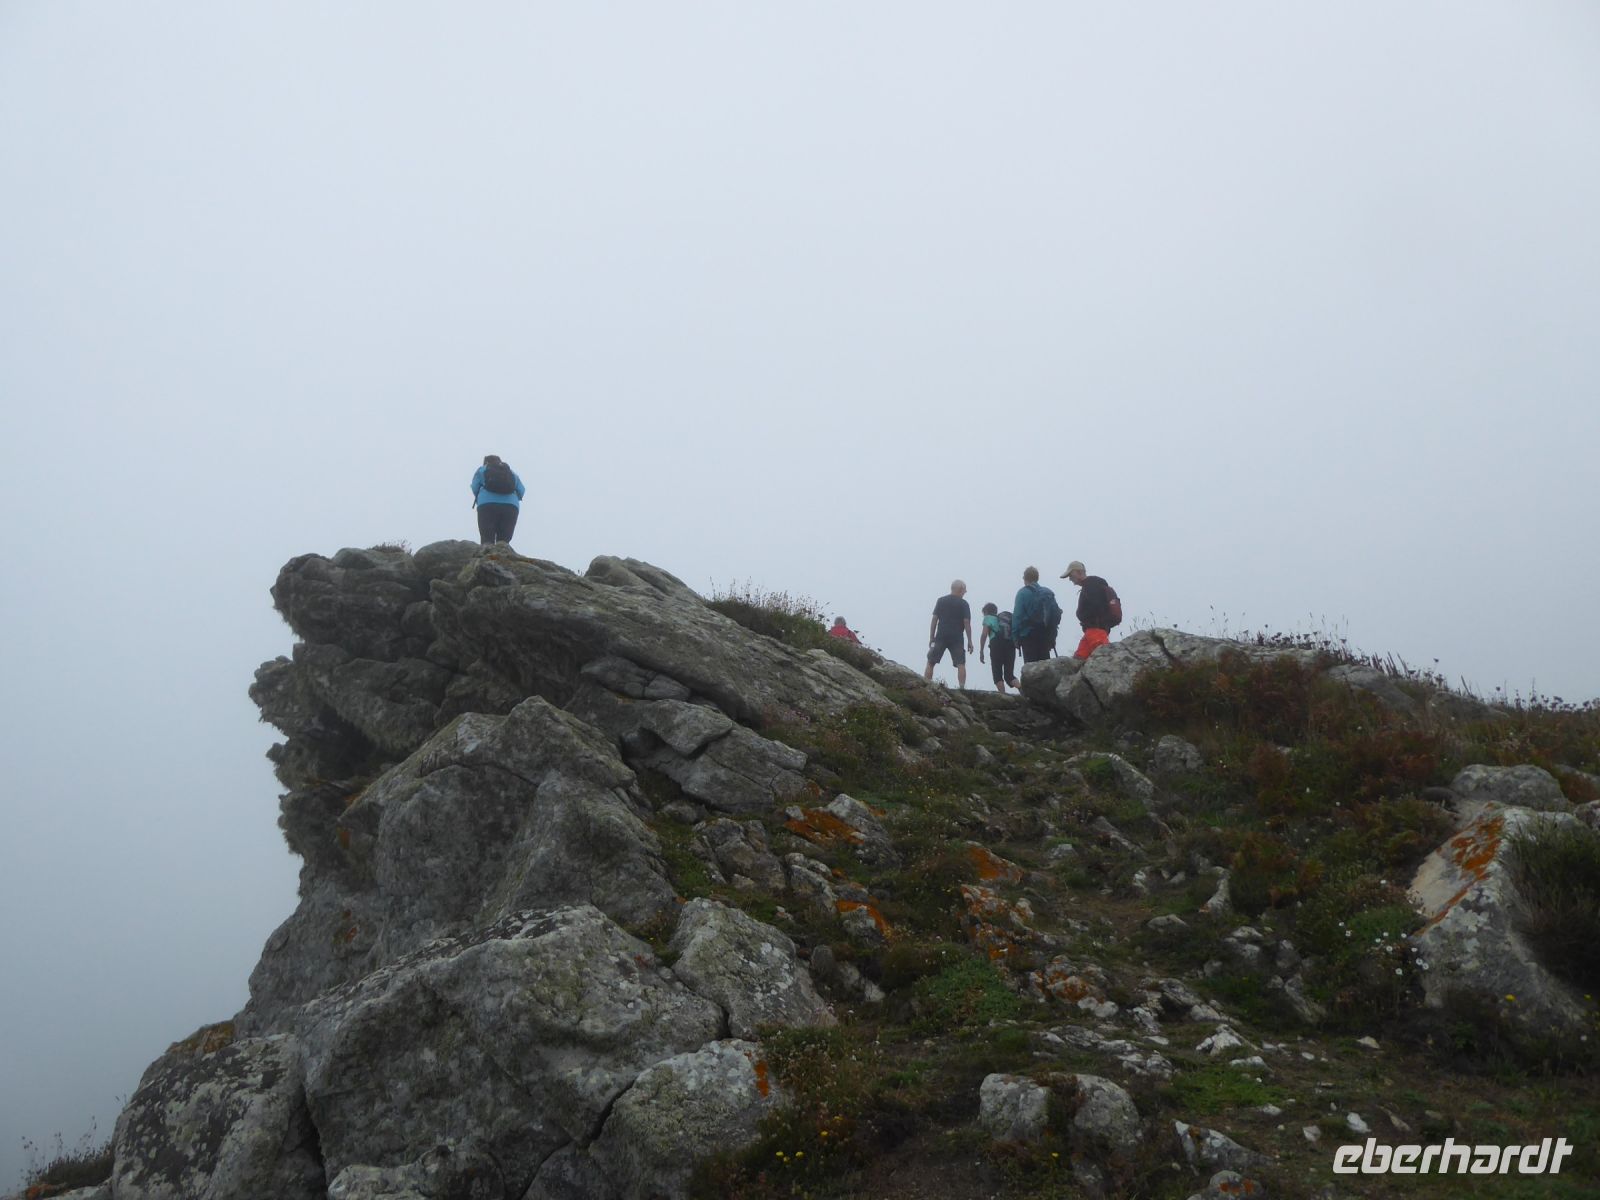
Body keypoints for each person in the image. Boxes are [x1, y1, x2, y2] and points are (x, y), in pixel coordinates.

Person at [1061, 560, 1119, 659]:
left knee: (1103, 660)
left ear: (1079, 572)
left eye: (1071, 575)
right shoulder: (1092, 585)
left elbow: (1096, 606)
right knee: (1078, 659)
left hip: (1095, 631)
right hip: (1092, 631)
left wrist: (1086, 617)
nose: (1070, 578)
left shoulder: (1090, 586)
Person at [923, 579, 973, 687]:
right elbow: (966, 622)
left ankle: (926, 684)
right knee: (960, 663)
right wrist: (970, 641)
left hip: (941, 635)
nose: (965, 592)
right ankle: (962, 687)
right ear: (960, 589)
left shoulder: (941, 600)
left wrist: (931, 637)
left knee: (931, 661)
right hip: (957, 637)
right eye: (964, 590)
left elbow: (934, 619)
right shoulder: (964, 604)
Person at [470, 455, 525, 545]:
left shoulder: (482, 470)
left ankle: (486, 557)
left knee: (487, 538)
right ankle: (502, 555)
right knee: (504, 540)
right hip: (510, 507)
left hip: (487, 505)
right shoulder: (511, 473)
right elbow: (521, 491)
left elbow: (474, 487)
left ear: (485, 463)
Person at [1012, 566, 1062, 664]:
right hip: (1045, 634)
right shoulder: (1047, 592)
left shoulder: (1022, 593)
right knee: (1045, 667)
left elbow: (1017, 616)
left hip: (1028, 635)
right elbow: (1054, 614)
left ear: (1025, 579)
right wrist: (1052, 636)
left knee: (1031, 670)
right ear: (1037, 577)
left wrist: (1015, 637)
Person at [978, 602, 1019, 693]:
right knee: (1009, 675)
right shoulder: (1005, 621)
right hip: (1010, 645)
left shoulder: (988, 618)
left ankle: (1003, 696)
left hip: (996, 645)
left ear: (986, 612)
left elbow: (984, 634)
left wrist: (981, 651)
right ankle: (1022, 689)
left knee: (997, 674)